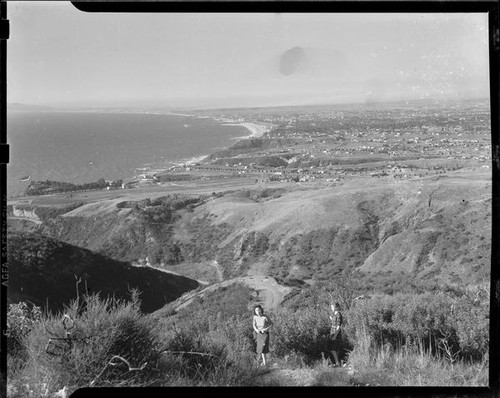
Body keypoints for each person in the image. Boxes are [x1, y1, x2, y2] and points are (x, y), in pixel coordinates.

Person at [328, 302, 344, 367]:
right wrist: (331, 319)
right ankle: (337, 362)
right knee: (334, 348)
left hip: (336, 333)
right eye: (331, 307)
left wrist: (335, 335)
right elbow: (334, 323)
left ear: (336, 307)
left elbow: (339, 326)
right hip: (332, 331)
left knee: (334, 348)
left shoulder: (339, 314)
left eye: (333, 307)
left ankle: (337, 363)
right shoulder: (334, 314)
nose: (332, 308)